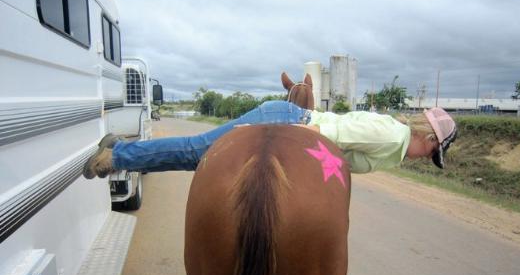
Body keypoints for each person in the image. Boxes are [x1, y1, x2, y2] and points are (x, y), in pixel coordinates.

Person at [82, 100, 457, 179]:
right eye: (431, 152)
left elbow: (342, 163)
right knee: (200, 151)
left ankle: (123, 154)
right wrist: (266, 136)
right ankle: (118, 155)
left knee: (199, 158)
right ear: (428, 136)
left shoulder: (392, 152)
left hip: (295, 130)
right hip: (287, 121)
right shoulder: (391, 133)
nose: (427, 157)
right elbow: (328, 135)